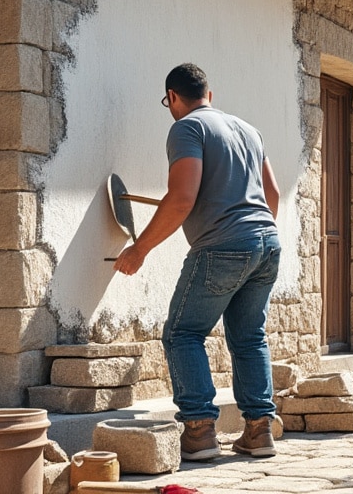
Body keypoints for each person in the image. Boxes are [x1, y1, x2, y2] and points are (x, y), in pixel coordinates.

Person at [113, 63, 282, 460]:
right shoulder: (249, 130)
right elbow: (271, 195)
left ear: (172, 97)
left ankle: (200, 431)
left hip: (223, 246)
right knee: (249, 336)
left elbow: (181, 198)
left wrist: (139, 249)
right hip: (268, 243)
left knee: (183, 334)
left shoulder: (187, 128)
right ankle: (259, 430)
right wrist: (249, 235)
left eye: (167, 102)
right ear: (210, 94)